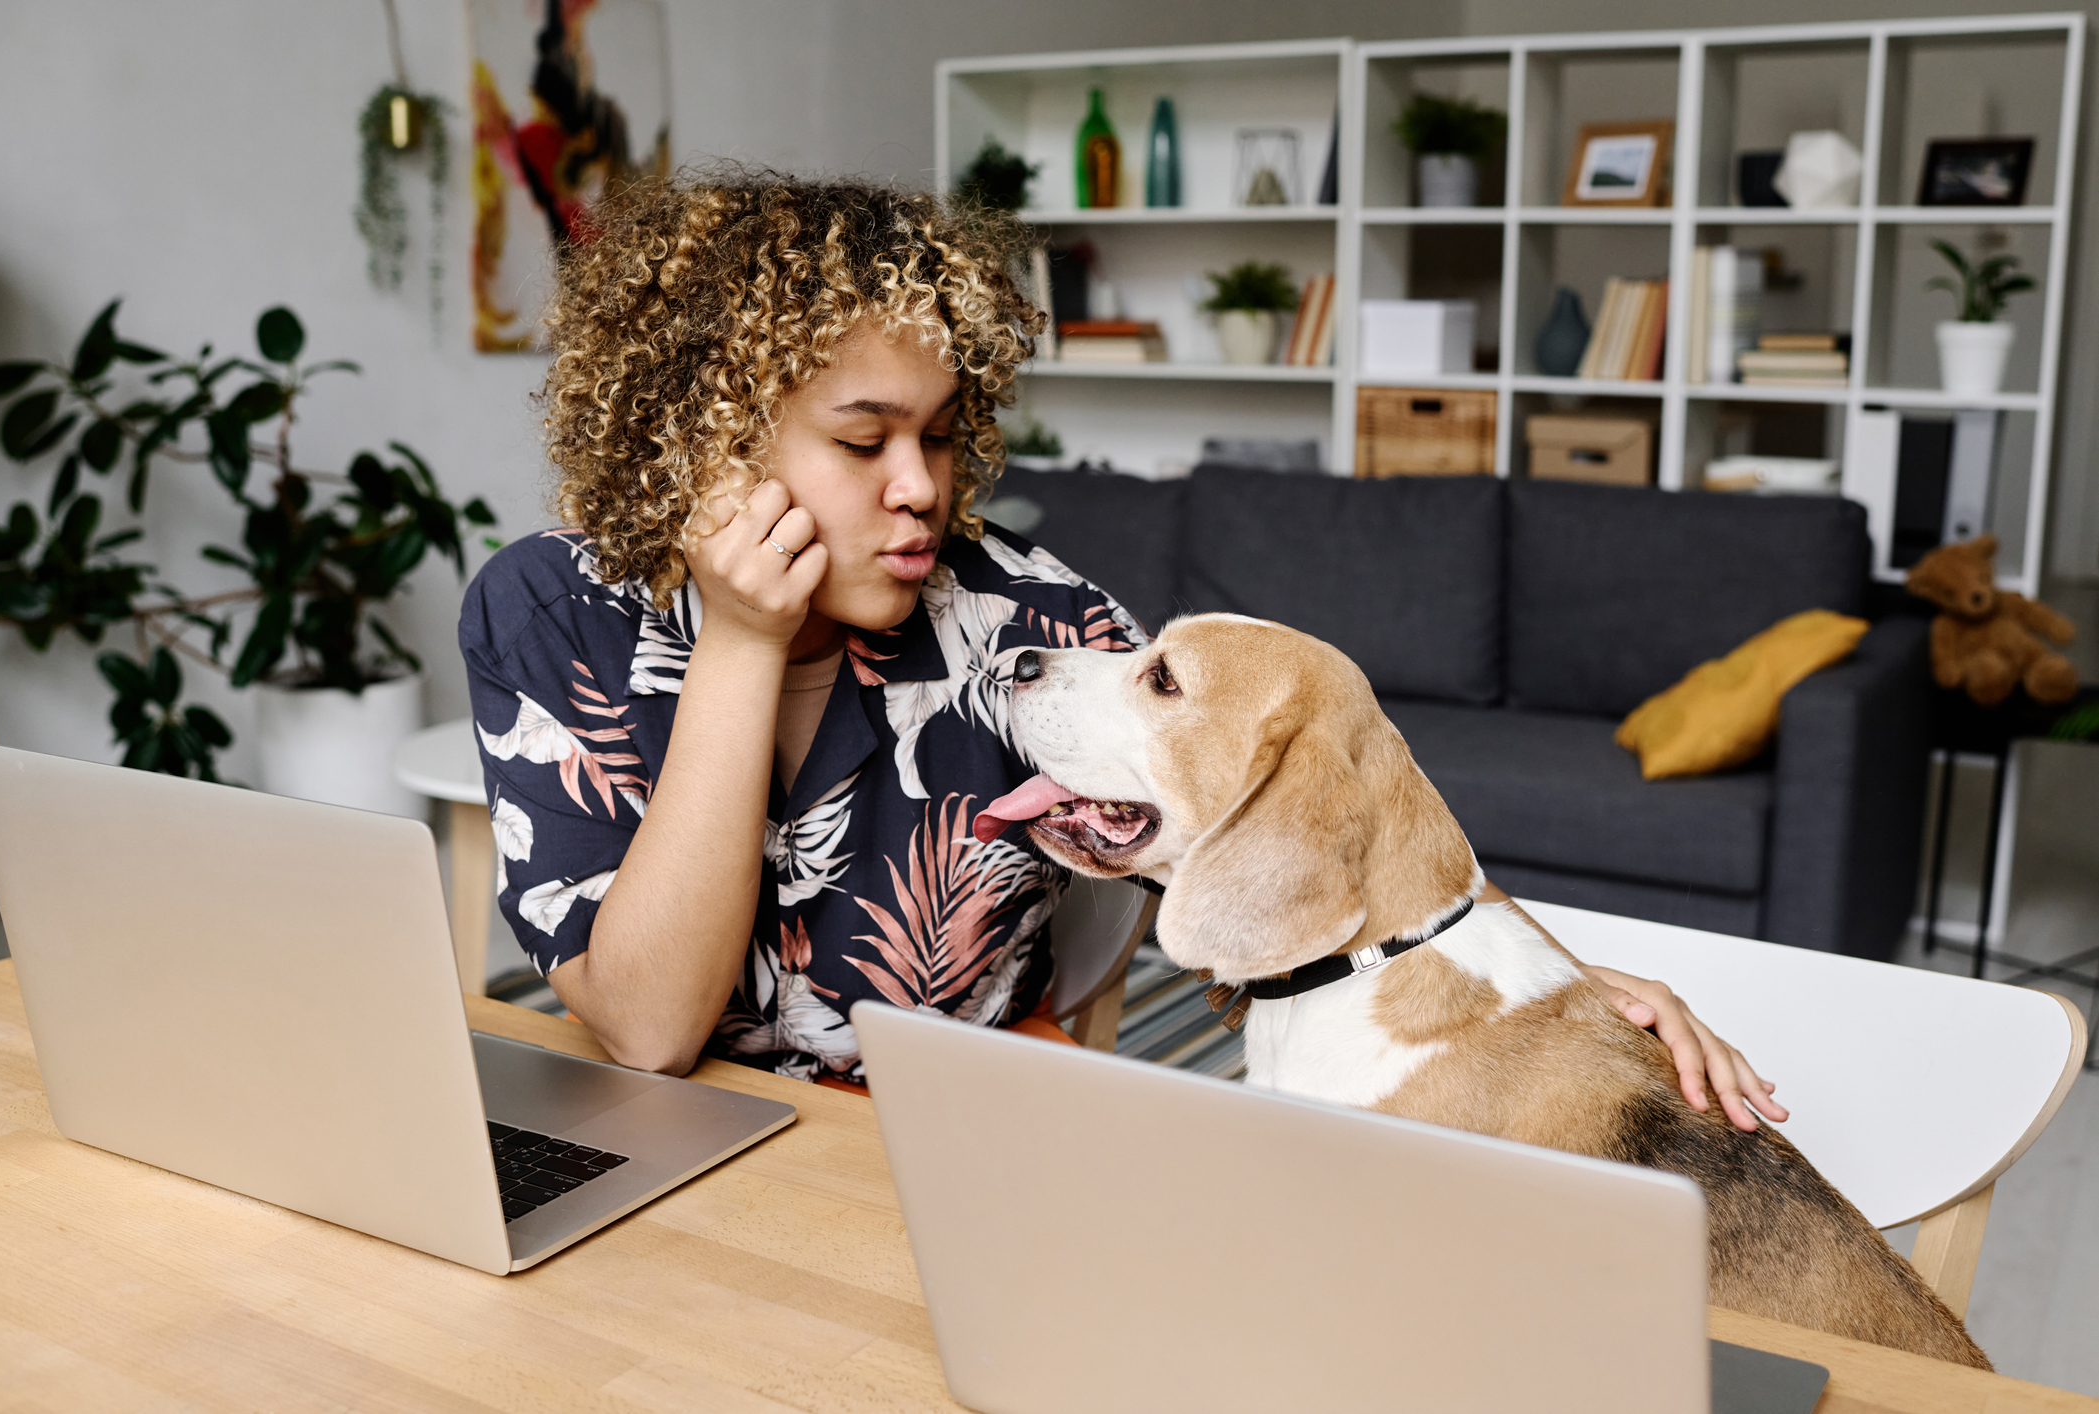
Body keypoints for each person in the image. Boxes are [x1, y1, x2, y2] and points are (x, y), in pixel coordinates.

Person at [460, 168, 1785, 1130]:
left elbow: (1299, 853)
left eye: (938, 431)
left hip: (955, 1160)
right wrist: (744, 644)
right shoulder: (552, 620)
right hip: (659, 1152)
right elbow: (644, 1027)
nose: (920, 484)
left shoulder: (1041, 632)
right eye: (864, 443)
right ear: (707, 441)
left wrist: (1541, 987)